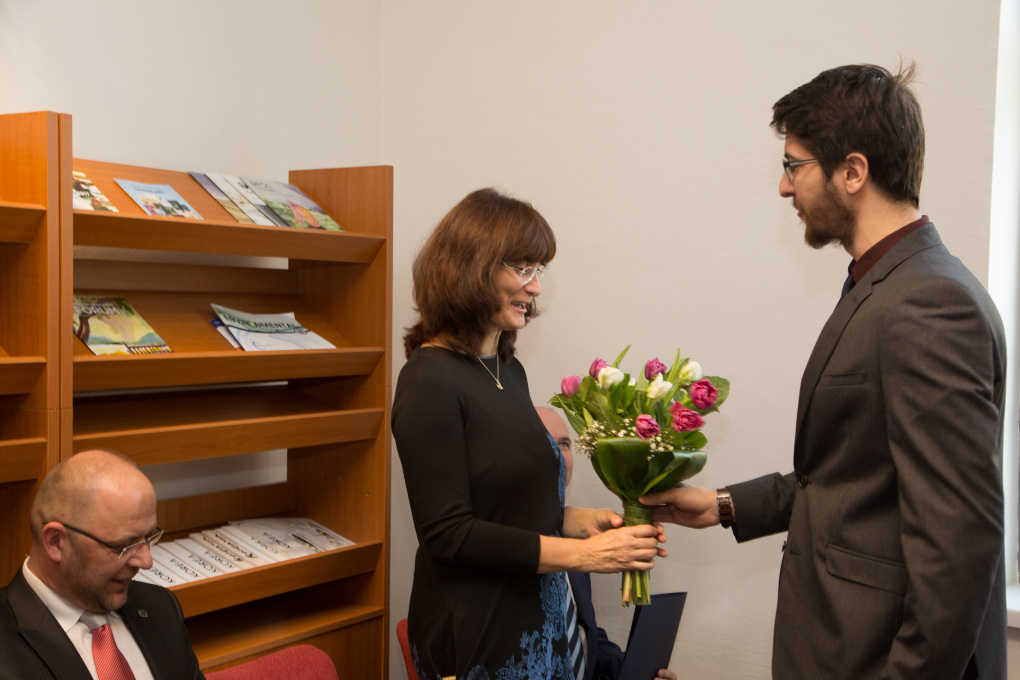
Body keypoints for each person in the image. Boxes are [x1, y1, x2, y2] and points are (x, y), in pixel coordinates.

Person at [642, 63, 1007, 680]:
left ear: (853, 171)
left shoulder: (931, 303)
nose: (785, 187)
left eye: (794, 165)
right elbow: (853, 474)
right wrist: (724, 505)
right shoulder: (887, 283)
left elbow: (958, 545)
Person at [392, 188, 665, 680]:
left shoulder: (507, 370)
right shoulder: (428, 378)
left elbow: (507, 508)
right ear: (470, 268)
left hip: (539, 620)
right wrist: (584, 556)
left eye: (539, 270)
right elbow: (450, 534)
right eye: (521, 269)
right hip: (477, 635)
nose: (535, 287)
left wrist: (585, 523)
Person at [0, 448, 204, 679]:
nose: (146, 561)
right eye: (124, 545)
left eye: (148, 537)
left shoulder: (161, 607)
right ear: (55, 542)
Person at [536, 407, 676, 680]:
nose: (558, 456)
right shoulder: (499, 544)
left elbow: (584, 637)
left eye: (564, 444)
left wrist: (637, 673)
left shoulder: (577, 534)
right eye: (544, 443)